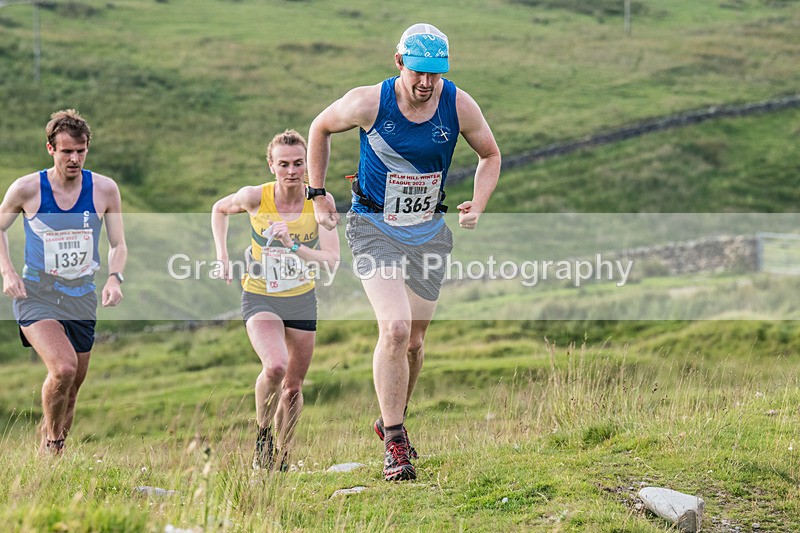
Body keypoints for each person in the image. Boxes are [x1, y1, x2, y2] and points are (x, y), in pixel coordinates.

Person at [307, 23, 501, 481]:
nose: (426, 83)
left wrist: (479, 203)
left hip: (428, 231)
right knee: (394, 329)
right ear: (399, 64)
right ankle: (395, 443)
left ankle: (391, 417)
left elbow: (490, 155)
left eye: (435, 74)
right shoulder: (369, 102)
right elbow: (319, 127)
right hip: (373, 226)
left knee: (414, 342)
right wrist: (317, 194)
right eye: (418, 73)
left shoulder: (458, 104)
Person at [0, 109, 127, 455]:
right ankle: (55, 445)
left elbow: (118, 243)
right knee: (63, 367)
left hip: (82, 297)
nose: (74, 158)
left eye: (81, 150)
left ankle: (48, 453)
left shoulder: (104, 189)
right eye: (67, 150)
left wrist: (114, 278)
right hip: (37, 293)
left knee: (71, 390)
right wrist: (8, 272)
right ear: (50, 149)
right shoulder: (27, 188)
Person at [211, 129, 340, 471]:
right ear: (271, 165)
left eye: (299, 163)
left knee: (293, 389)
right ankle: (263, 436)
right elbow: (219, 209)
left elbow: (331, 259)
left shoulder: (320, 203)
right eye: (284, 164)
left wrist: (294, 246)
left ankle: (283, 458)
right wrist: (222, 255)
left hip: (300, 300)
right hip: (260, 296)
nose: (292, 171)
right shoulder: (255, 197)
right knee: (275, 367)